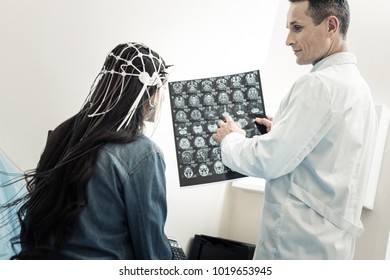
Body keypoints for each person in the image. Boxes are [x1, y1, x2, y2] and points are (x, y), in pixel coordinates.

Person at [212, 0, 378, 259]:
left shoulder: (318, 84)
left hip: (295, 247)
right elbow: (330, 158)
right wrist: (283, 131)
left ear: (331, 25)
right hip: (330, 249)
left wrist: (230, 139)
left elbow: (267, 161)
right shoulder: (359, 89)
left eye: (297, 28)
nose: (288, 40)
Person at [6, 42, 173, 259]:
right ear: (147, 93)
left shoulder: (63, 132)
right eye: (161, 90)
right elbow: (151, 253)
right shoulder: (144, 154)